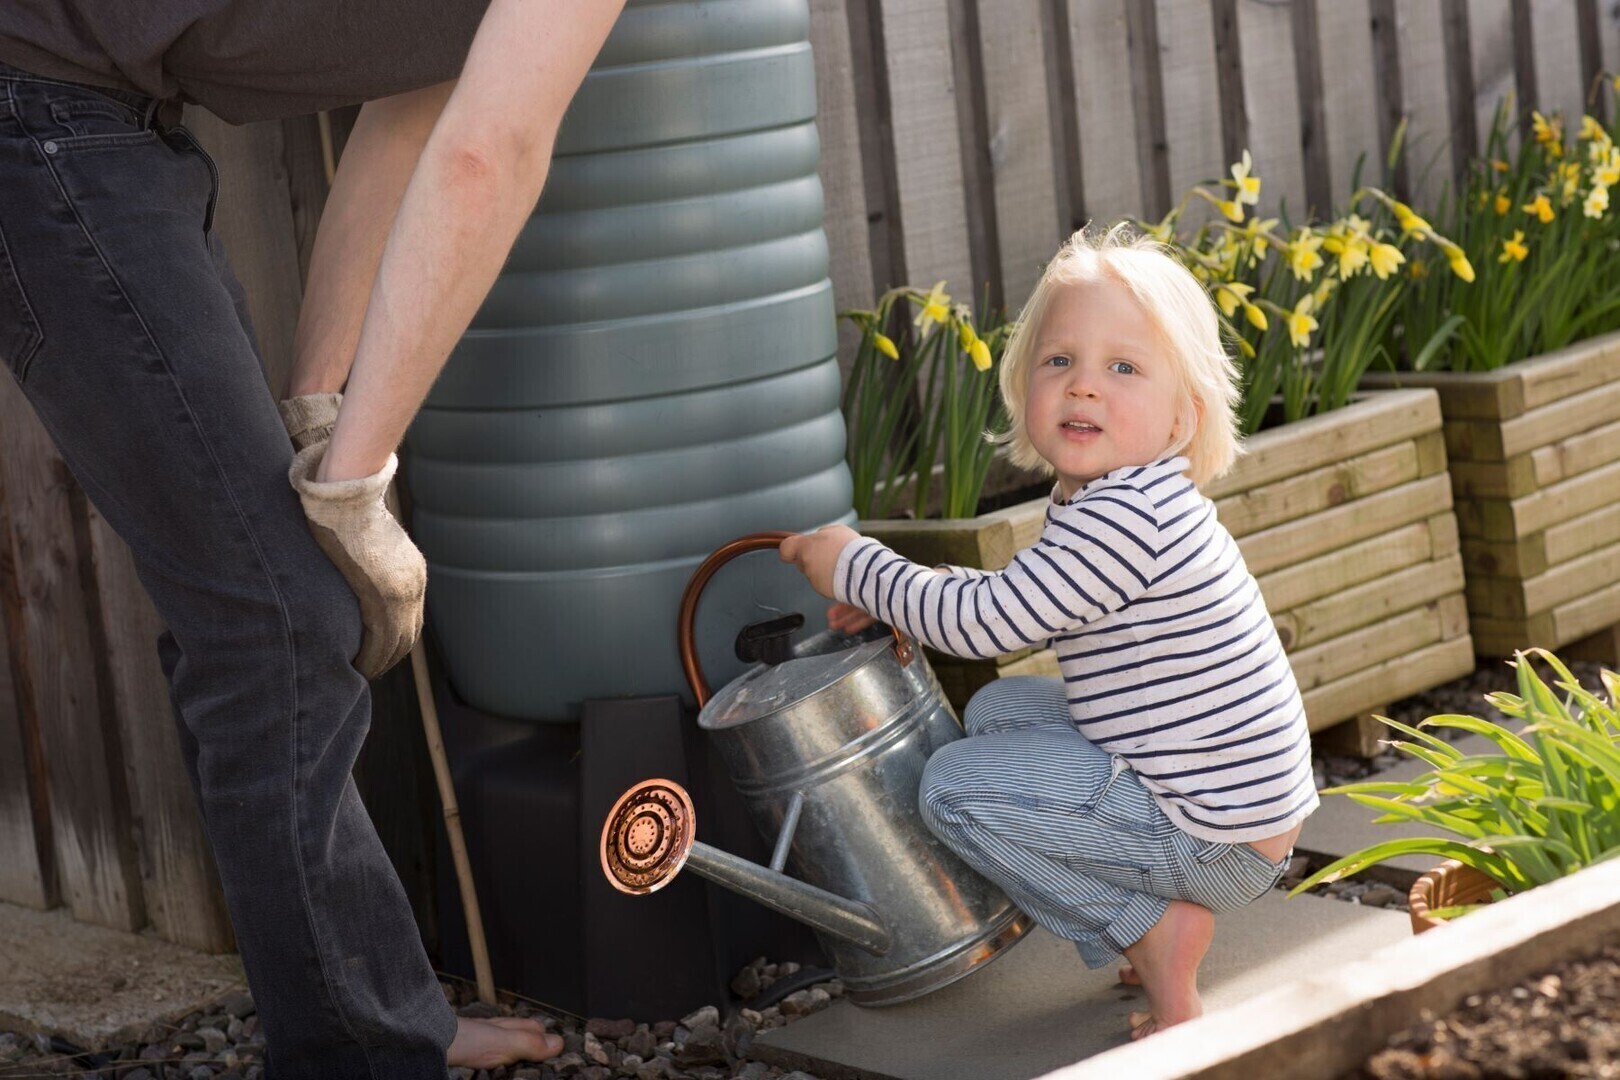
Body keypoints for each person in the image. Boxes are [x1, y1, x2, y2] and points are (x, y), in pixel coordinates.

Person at [0, 0, 624, 1074]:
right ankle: (364, 1049)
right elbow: (486, 155)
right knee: (277, 619)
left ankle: (372, 1021)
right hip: (38, 106)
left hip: (96, 115)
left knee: (259, 608)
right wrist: (348, 492)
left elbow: (407, 127)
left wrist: (319, 421)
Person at [780, 224, 1320, 1042]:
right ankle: (1153, 913)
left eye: (1123, 369)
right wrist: (900, 598)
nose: (1084, 388)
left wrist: (858, 567)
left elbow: (985, 619)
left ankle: (1153, 931)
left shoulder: (1126, 519)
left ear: (1184, 415)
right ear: (1023, 383)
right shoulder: (1125, 498)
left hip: (1217, 836)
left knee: (953, 790)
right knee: (999, 714)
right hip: (1226, 805)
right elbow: (1012, 598)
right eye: (1059, 361)